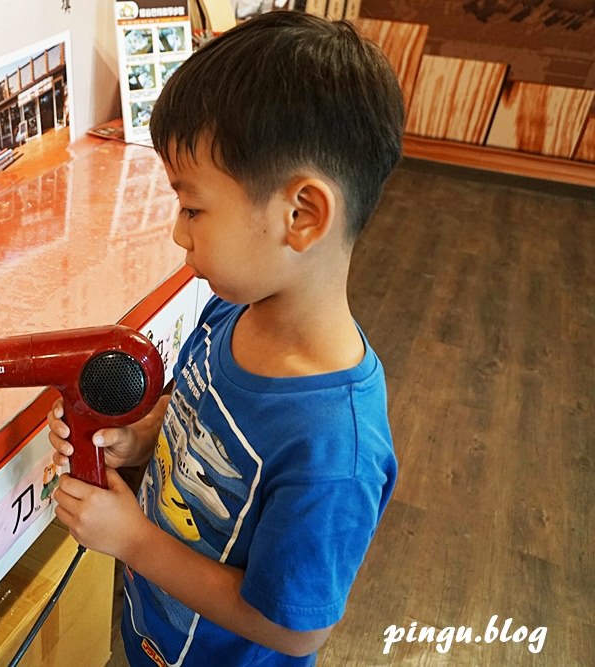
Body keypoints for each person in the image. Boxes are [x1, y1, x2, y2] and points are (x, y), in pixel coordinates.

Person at [47, 10, 403, 666]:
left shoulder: (334, 448)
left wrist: (133, 542)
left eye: (193, 208)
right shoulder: (231, 311)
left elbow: (296, 630)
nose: (180, 235)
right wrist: (144, 434)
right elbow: (189, 411)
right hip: (148, 632)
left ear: (301, 216)